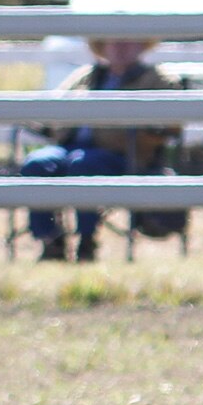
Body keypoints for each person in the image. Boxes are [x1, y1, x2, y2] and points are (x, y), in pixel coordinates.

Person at [23, 37, 182, 262]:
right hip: (70, 147)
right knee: (37, 163)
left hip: (123, 155)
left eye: (126, 42)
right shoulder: (87, 75)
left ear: (140, 47)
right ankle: (50, 239)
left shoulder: (158, 79)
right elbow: (54, 107)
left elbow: (169, 126)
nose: (119, 48)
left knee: (83, 165)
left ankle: (86, 239)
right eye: (113, 42)